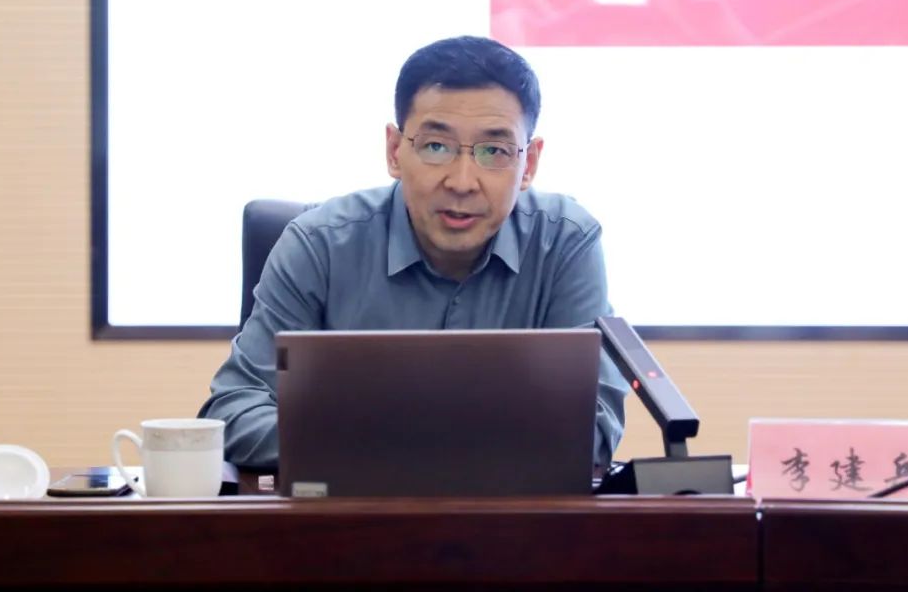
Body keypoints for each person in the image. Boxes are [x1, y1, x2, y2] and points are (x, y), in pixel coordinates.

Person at [199, 35, 628, 470]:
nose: (462, 182)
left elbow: (593, 427)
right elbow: (233, 410)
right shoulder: (319, 245)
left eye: (494, 151)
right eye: (436, 146)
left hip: (510, 513)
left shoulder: (565, 243)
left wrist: (378, 441)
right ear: (394, 151)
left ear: (529, 164)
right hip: (352, 510)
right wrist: (409, 445)